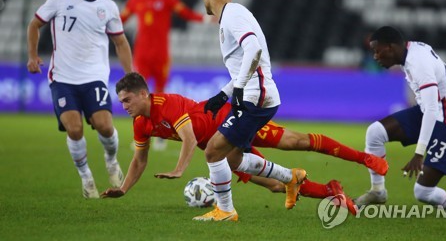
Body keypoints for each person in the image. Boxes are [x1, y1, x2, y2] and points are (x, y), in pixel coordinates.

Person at [100, 73, 389, 215]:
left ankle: (365, 159)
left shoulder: (166, 104)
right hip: (220, 149)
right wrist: (124, 189)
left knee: (297, 142)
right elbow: (140, 159)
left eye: (127, 100)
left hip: (232, 121)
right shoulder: (141, 124)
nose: (123, 106)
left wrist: (179, 169)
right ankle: (331, 192)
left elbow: (188, 137)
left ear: (143, 94)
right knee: (275, 185)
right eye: (121, 101)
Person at [197, 0, 305, 221]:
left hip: (256, 96)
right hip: (256, 94)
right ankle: (291, 177)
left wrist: (240, 88)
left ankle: (225, 210)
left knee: (213, 151)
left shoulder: (233, 14)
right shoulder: (231, 15)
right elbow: (242, 64)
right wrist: (224, 95)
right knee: (233, 159)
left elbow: (253, 49)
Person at [26, 0, 133, 199]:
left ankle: (111, 159)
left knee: (105, 127)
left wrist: (131, 76)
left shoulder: (107, 6)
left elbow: (120, 42)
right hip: (63, 78)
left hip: (94, 76)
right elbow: (34, 25)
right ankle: (86, 177)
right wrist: (32, 55)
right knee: (74, 130)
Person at [354, 26, 446, 212]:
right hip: (430, 111)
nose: (375, 57)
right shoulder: (411, 50)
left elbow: (432, 108)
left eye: (377, 51)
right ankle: (378, 191)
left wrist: (419, 154)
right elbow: (430, 107)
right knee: (375, 132)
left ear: (390, 48)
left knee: (423, 192)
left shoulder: (418, 63)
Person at [121, 0, 210, 151]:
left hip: (161, 55)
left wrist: (204, 18)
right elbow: (121, 19)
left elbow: (185, 13)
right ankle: (141, 135)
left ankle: (161, 136)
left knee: (160, 96)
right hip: (142, 55)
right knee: (138, 97)